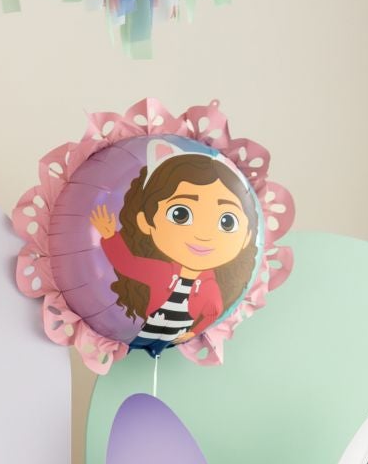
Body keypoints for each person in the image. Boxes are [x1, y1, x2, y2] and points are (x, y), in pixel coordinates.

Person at [90, 150, 262, 353]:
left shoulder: (210, 287)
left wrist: (193, 331)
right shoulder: (161, 271)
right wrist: (111, 236)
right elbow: (128, 264)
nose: (203, 235)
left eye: (227, 221)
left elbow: (213, 312)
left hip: (178, 333)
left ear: (247, 236)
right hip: (148, 329)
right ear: (145, 222)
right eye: (180, 214)